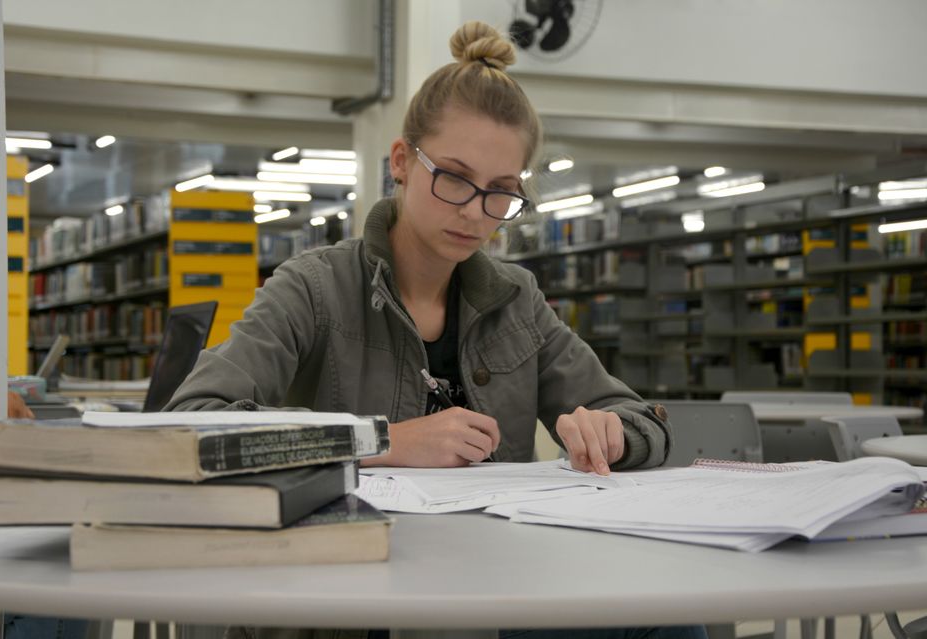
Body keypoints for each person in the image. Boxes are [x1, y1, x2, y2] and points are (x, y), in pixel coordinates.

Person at [169, 20, 701, 639]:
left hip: (495, 587)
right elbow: (192, 421)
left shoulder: (516, 299)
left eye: (501, 192)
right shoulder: (314, 287)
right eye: (453, 177)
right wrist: (382, 440)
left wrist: (613, 435)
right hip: (353, 597)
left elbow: (644, 423)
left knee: (666, 616)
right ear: (401, 162)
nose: (476, 211)